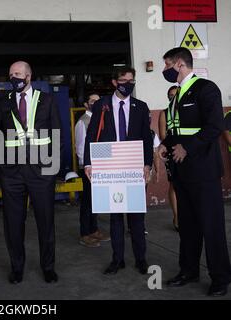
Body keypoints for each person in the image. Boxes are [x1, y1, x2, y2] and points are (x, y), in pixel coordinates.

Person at [158, 47, 231, 297]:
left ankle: (220, 278)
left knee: (211, 226)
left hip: (203, 170)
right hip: (182, 171)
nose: (164, 70)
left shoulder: (206, 89)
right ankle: (188, 270)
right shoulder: (176, 95)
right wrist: (164, 146)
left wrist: (186, 148)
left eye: (167, 64)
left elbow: (215, 126)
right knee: (187, 225)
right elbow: (178, 130)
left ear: (179, 64)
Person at [0, 61, 62, 284]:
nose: (13, 77)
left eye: (18, 74)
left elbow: (57, 134)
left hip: (42, 172)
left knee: (46, 222)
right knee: (13, 223)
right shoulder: (3, 101)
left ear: (29, 76)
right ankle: (17, 268)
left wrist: (52, 169)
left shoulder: (47, 99)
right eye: (10, 74)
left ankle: (48, 267)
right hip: (12, 173)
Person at [84, 66, 153, 276]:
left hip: (133, 164)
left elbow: (146, 139)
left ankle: (141, 259)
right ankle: (118, 259)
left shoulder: (140, 106)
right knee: (115, 217)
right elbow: (92, 136)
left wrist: (147, 164)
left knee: (136, 217)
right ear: (115, 82)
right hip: (110, 165)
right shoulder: (102, 105)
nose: (128, 84)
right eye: (124, 80)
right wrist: (89, 162)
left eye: (131, 80)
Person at [75, 93, 110, 247]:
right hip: (89, 168)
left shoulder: (101, 119)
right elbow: (81, 148)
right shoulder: (83, 122)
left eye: (98, 100)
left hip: (101, 167)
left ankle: (94, 229)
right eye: (92, 101)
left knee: (96, 200)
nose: (95, 103)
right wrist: (88, 166)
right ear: (86, 104)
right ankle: (85, 233)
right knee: (87, 201)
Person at [158, 85, 179, 231]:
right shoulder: (164, 113)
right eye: (170, 95)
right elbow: (163, 136)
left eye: (175, 95)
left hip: (188, 152)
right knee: (174, 185)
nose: (173, 97)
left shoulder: (187, 111)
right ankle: (177, 217)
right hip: (172, 153)